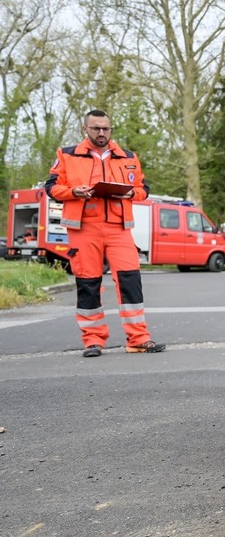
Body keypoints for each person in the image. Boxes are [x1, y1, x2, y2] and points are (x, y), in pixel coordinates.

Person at [44, 109, 166, 357]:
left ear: (111, 130)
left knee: (130, 281)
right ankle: (93, 340)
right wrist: (73, 192)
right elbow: (51, 187)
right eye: (96, 128)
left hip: (119, 228)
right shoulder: (67, 155)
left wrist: (131, 193)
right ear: (85, 129)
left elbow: (143, 189)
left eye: (105, 129)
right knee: (88, 283)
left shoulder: (128, 157)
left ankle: (138, 338)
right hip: (83, 227)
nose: (101, 133)